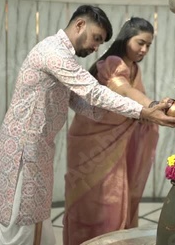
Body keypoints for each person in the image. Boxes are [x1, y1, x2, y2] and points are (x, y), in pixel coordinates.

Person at [0, 6, 175, 245]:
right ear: (79, 25)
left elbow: (83, 103)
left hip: (36, 153)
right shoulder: (54, 53)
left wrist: (140, 115)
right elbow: (93, 92)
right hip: (22, 155)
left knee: (39, 232)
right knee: (21, 234)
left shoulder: (62, 56)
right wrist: (143, 110)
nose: (97, 47)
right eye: (96, 38)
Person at [63, 17, 162, 245]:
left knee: (116, 202)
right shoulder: (114, 63)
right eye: (140, 43)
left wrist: (149, 112)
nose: (144, 49)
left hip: (119, 145)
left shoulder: (134, 68)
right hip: (93, 145)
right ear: (126, 39)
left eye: (149, 45)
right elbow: (124, 91)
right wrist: (152, 107)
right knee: (100, 203)